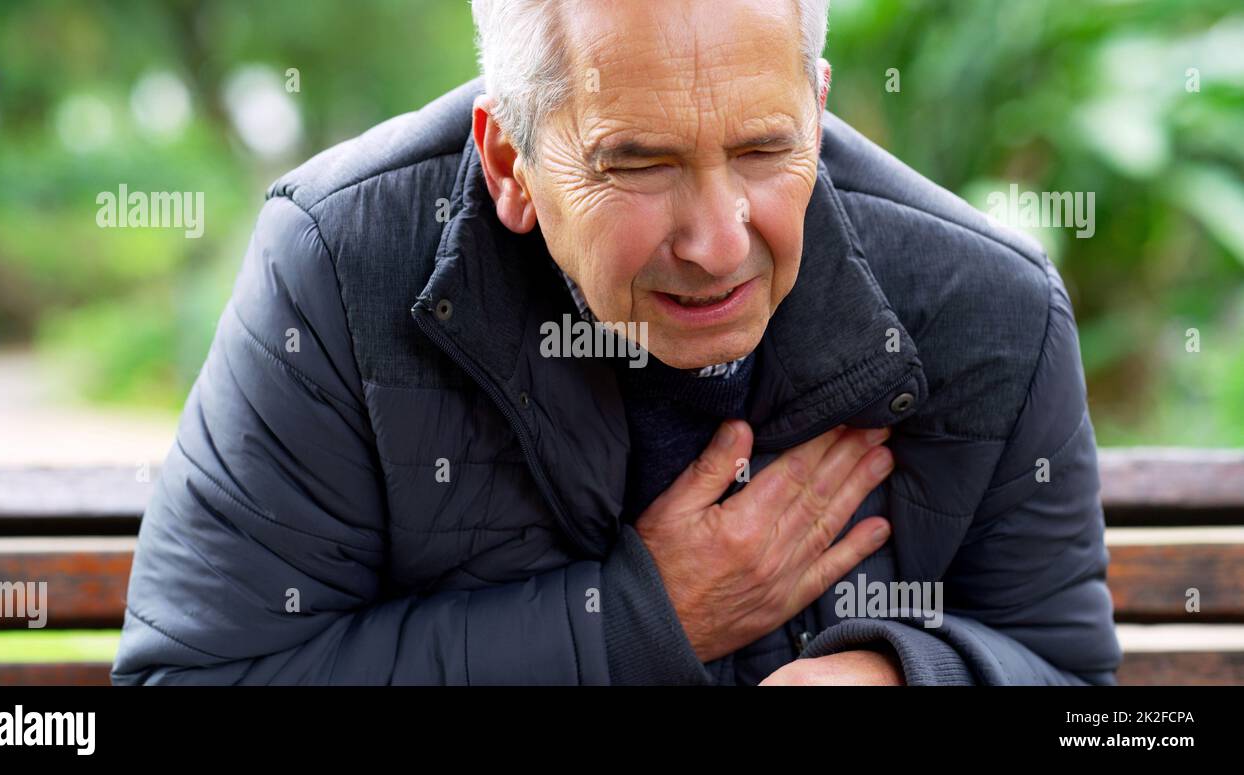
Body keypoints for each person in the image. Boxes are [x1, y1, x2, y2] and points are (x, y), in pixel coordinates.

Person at [112, 0, 1121, 685]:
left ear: (817, 109)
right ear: (507, 158)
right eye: (638, 163)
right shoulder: (337, 265)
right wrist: (636, 622)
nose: (719, 241)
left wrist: (909, 678)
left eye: (766, 149)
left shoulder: (996, 308)